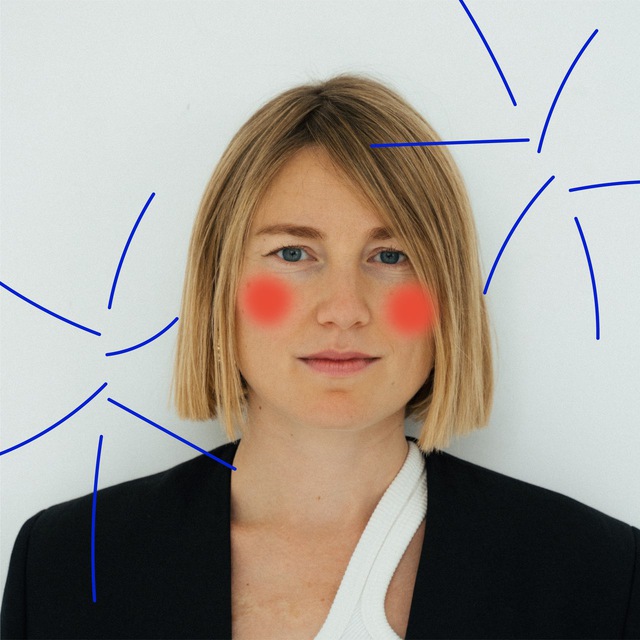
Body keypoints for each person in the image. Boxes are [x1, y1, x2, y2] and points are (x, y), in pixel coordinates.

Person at [2, 73, 638, 639]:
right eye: (293, 253)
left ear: (446, 297)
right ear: (221, 287)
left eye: (391, 256)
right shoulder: (67, 566)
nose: (344, 309)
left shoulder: (599, 580)